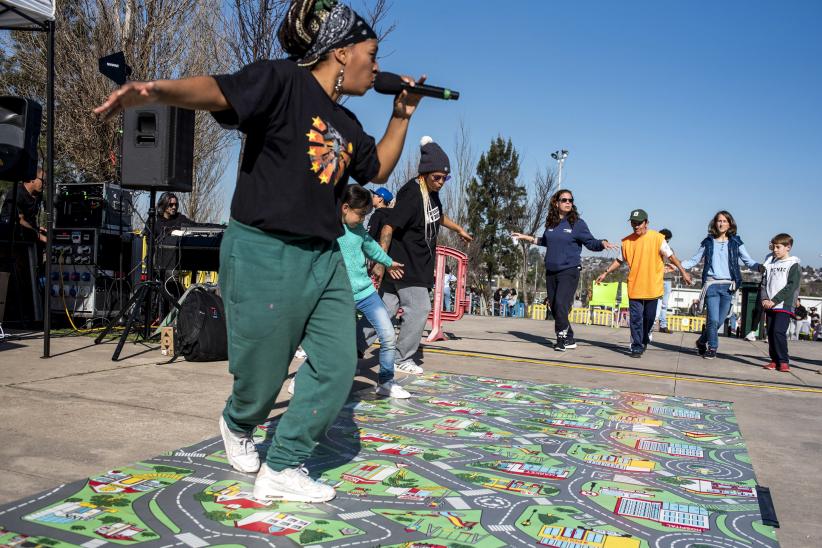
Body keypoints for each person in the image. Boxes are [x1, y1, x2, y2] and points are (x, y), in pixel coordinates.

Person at [95, 0, 425, 503]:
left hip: (324, 256)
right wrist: (154, 90)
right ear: (340, 53)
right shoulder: (281, 82)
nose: (377, 66)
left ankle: (284, 465)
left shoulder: (346, 120)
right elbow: (218, 89)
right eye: (371, 53)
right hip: (264, 249)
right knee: (264, 376)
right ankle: (238, 421)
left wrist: (400, 116)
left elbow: (377, 168)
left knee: (339, 364)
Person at [368, 136, 472, 375]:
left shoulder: (430, 193)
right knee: (419, 309)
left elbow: (437, 216)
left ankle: (351, 346)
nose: (441, 182)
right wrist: (382, 263)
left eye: (445, 178)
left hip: (410, 265)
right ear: (424, 172)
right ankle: (401, 357)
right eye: (437, 177)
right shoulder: (412, 193)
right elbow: (388, 227)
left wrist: (458, 229)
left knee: (384, 312)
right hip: (405, 265)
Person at [295, 185, 409, 398]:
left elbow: (372, 247)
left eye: (367, 214)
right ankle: (302, 377)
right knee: (332, 342)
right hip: (340, 295)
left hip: (365, 292)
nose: (363, 219)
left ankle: (386, 381)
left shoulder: (359, 231)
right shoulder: (329, 229)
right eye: (361, 214)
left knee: (388, 335)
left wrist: (388, 262)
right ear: (345, 208)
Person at [513, 189, 617, 351]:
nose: (568, 202)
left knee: (561, 304)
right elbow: (545, 241)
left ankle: (561, 338)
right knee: (554, 306)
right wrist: (525, 237)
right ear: (556, 203)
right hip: (551, 270)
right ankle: (569, 338)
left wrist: (602, 243)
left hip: (569, 269)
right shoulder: (551, 224)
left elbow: (591, 242)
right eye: (564, 200)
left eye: (570, 200)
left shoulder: (577, 223)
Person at [597, 209, 692, 358]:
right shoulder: (627, 241)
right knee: (636, 318)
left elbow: (671, 257)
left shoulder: (658, 238)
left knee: (648, 318)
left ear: (646, 222)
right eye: (633, 223)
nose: (636, 226)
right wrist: (605, 272)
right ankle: (636, 346)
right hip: (635, 286)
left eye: (639, 223)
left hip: (652, 287)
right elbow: (619, 260)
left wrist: (683, 272)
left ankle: (644, 339)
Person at [681, 210, 761, 359]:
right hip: (712, 285)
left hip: (729, 287)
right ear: (715, 223)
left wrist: (760, 267)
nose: (721, 223)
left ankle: (701, 341)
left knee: (718, 321)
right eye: (719, 220)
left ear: (730, 224)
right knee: (712, 319)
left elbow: (748, 261)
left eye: (725, 221)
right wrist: (678, 266)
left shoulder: (736, 242)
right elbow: (694, 260)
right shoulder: (708, 242)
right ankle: (712, 347)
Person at [761, 233, 801, 372]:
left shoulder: (793, 264)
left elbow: (791, 286)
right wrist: (765, 299)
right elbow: (764, 283)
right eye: (773, 247)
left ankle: (784, 361)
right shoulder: (770, 263)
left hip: (784, 305)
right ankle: (774, 360)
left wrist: (775, 300)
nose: (775, 250)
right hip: (769, 304)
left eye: (778, 247)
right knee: (771, 333)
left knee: (778, 331)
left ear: (788, 247)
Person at [0, 169, 47, 244]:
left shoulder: (38, 196)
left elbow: (32, 219)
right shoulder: (17, 193)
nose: (45, 184)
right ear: (32, 179)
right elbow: (20, 221)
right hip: (12, 233)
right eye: (43, 180)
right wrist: (38, 234)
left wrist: (37, 228)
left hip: (27, 231)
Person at [656, 229, 674, 333]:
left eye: (667, 241)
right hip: (658, 278)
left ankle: (663, 325)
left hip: (667, 279)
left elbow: (674, 263)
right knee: (655, 303)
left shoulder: (670, 250)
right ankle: (653, 323)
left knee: (664, 304)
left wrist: (672, 267)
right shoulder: (654, 249)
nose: (666, 242)